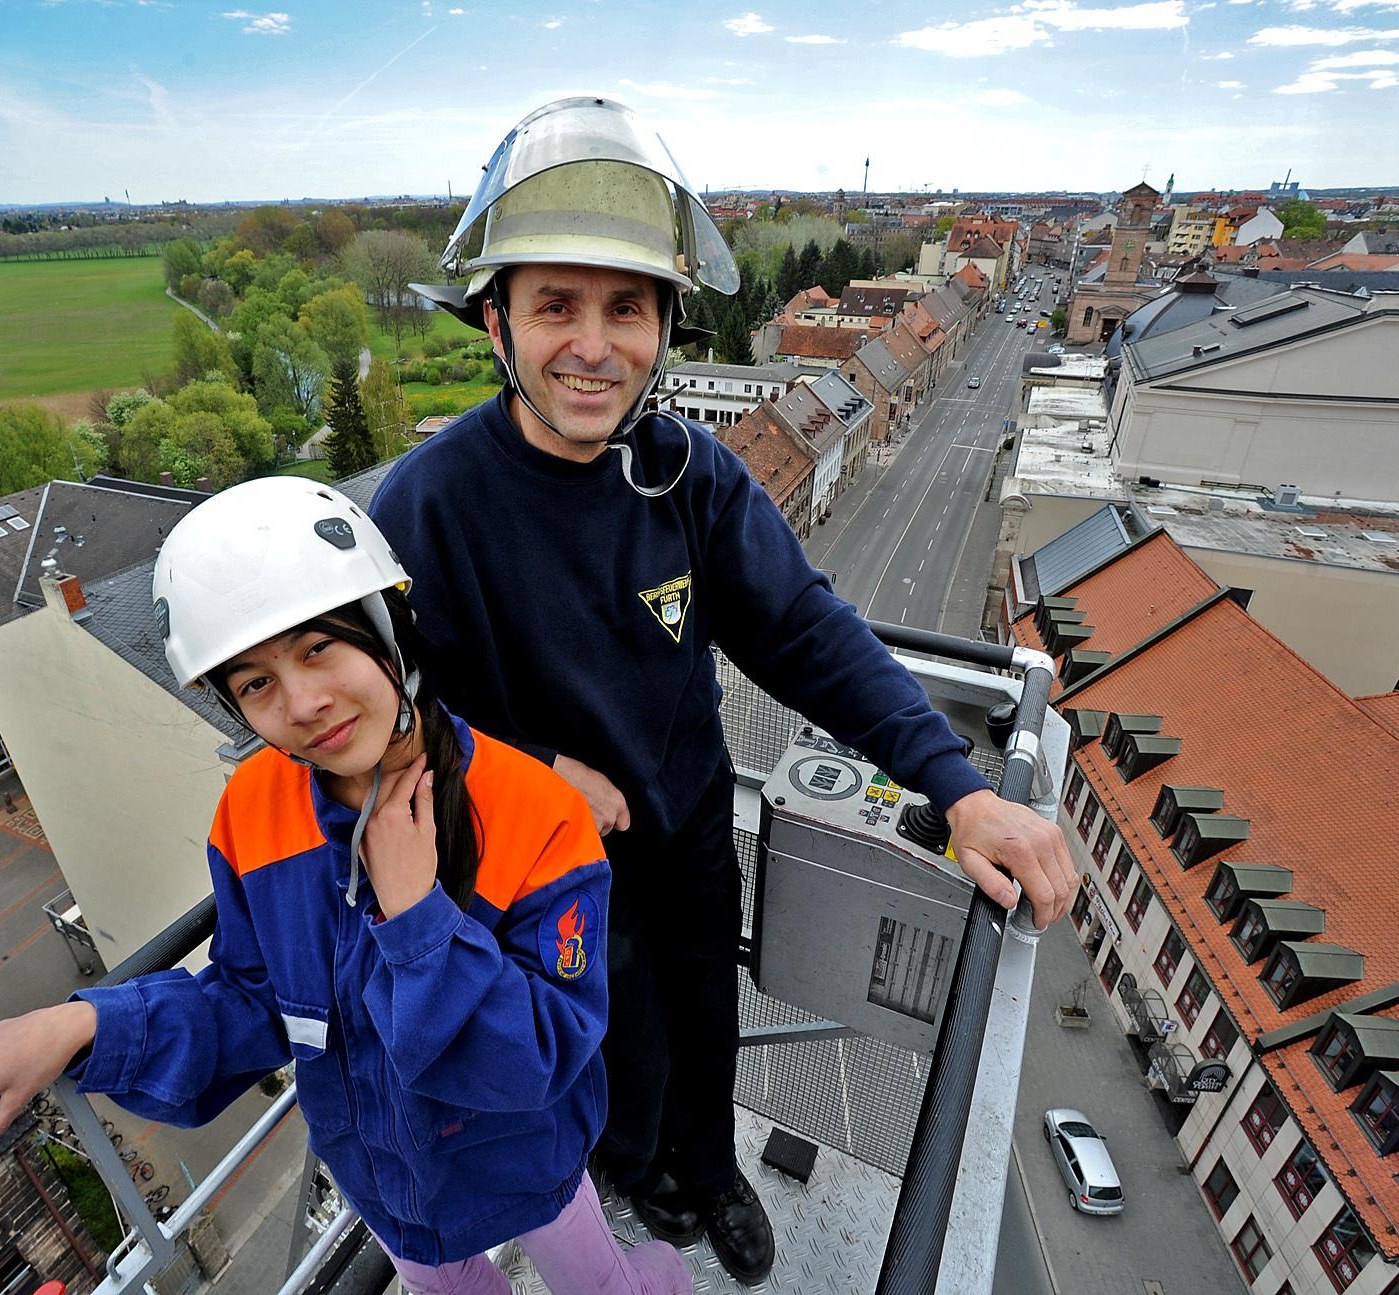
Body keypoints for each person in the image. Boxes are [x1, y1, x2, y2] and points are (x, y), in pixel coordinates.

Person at [374, 97, 1074, 1283]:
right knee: (597, 1054)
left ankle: (708, 1173)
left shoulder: (681, 474)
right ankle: (634, 1169)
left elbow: (802, 628)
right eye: (556, 304)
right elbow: (380, 733)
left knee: (705, 1024)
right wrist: (529, 774)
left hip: (689, 830)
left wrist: (956, 788)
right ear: (494, 322)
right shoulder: (426, 509)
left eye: (627, 309)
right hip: (534, 871)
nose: (594, 344)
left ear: (663, 327)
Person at [0, 478, 690, 1295]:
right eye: (254, 682)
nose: (304, 703)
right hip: (386, 1182)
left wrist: (419, 920)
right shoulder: (252, 813)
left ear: (388, 629)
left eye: (319, 646)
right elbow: (252, 1001)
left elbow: (544, 1052)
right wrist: (80, 1026)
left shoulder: (535, 814)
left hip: (523, 1158)